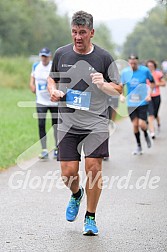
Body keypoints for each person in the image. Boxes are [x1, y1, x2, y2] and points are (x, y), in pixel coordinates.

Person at [47, 11, 122, 235]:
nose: (77, 37)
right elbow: (52, 77)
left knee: (93, 168)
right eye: (74, 32)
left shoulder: (104, 58)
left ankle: (90, 217)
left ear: (91, 32)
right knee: (68, 172)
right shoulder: (61, 53)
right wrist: (53, 90)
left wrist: (103, 84)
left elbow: (118, 89)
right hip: (68, 121)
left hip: (96, 122)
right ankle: (76, 194)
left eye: (82, 33)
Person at [120, 55, 154, 155]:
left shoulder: (145, 70)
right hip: (130, 102)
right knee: (135, 124)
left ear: (137, 62)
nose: (132, 65)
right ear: (128, 62)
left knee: (141, 124)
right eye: (131, 63)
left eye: (134, 63)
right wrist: (121, 95)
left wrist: (149, 94)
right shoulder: (125, 72)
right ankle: (139, 146)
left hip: (143, 101)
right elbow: (121, 86)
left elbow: (152, 82)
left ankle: (146, 133)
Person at [29, 47, 58, 159]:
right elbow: (32, 79)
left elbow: (58, 80)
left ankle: (57, 148)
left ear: (49, 56)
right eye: (42, 56)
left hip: (53, 101)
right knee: (41, 125)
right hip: (41, 101)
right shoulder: (36, 66)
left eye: (46, 56)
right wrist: (32, 86)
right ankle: (44, 150)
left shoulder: (53, 66)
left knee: (55, 126)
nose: (44, 58)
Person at [146, 60, 166, 138]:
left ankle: (158, 123)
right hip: (148, 96)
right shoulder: (145, 74)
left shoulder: (158, 73)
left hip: (156, 96)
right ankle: (152, 131)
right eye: (148, 66)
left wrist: (157, 83)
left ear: (154, 66)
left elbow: (164, 83)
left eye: (151, 66)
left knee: (155, 114)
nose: (150, 67)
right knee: (150, 114)